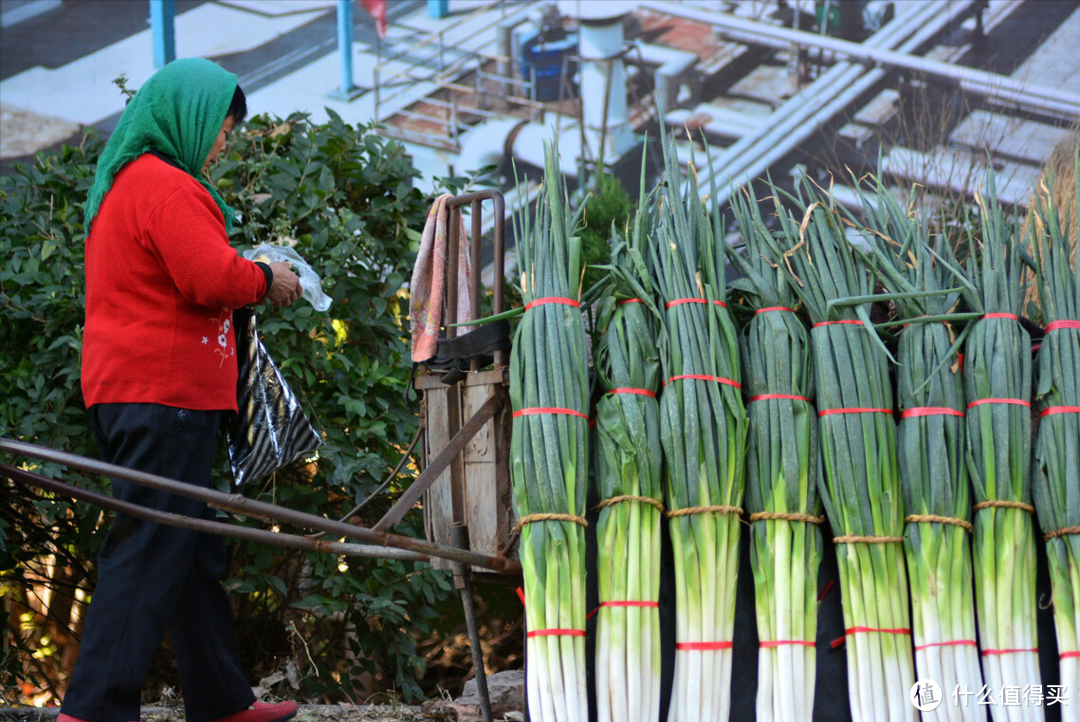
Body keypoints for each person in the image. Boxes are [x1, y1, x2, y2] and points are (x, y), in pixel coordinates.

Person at [59, 58, 302, 722]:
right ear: (188, 120)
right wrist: (264, 276)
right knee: (150, 543)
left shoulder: (129, 184)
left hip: (135, 390)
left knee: (190, 548)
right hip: (163, 393)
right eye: (222, 128)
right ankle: (92, 710)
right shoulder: (166, 187)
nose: (223, 142)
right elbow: (207, 277)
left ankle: (222, 701)